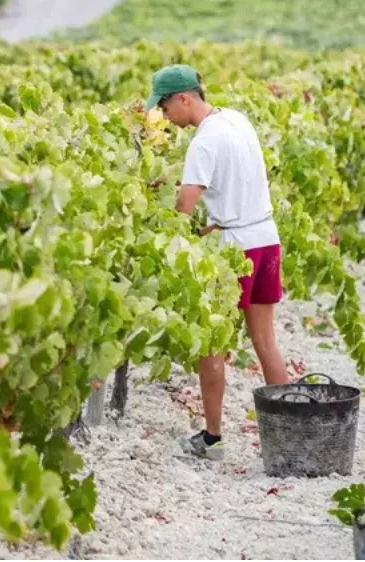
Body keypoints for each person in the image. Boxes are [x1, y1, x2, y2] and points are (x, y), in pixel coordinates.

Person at [144, 64, 290, 461]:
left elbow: (184, 204)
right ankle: (290, 435)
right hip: (265, 238)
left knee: (211, 345)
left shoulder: (203, 143)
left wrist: (172, 239)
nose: (164, 116)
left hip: (234, 251)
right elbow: (233, 185)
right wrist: (213, 223)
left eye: (163, 107)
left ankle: (211, 440)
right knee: (265, 341)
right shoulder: (236, 121)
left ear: (184, 99)